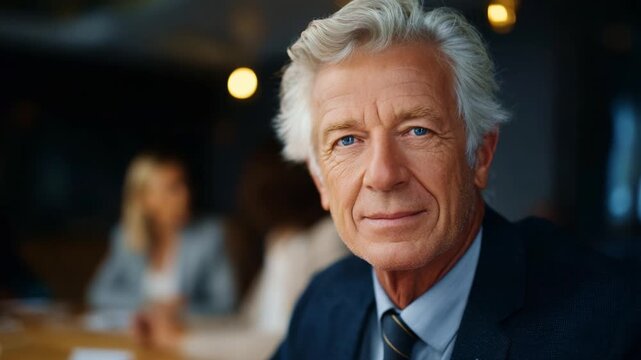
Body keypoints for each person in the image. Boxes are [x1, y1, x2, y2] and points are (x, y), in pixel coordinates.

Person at [271, 1, 641, 359]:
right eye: (347, 140)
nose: (383, 176)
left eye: (418, 131)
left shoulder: (608, 322)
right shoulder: (323, 303)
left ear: (480, 154)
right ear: (320, 180)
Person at [131, 143, 348, 359]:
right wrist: (176, 326)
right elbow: (246, 322)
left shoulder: (325, 239)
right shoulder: (280, 241)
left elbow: (294, 342)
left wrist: (183, 341)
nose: (244, 196)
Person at [87, 152, 236, 321]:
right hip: (139, 336)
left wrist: (179, 310)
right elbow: (98, 293)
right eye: (173, 188)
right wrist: (150, 305)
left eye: (185, 184)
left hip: (186, 337)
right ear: (145, 199)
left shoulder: (209, 235)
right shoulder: (125, 236)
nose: (185, 195)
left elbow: (226, 304)